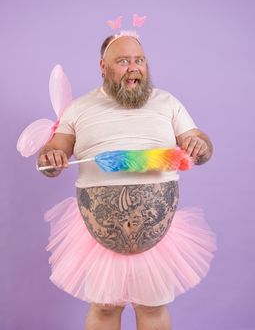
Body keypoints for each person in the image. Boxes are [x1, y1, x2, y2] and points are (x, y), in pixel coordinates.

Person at [37, 31, 215, 330]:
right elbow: (53, 154)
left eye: (139, 60)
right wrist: (50, 158)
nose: (134, 67)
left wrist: (200, 146)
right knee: (104, 310)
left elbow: (200, 145)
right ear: (103, 67)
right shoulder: (79, 108)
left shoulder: (167, 103)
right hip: (96, 240)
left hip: (159, 239)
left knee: (153, 310)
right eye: (123, 61)